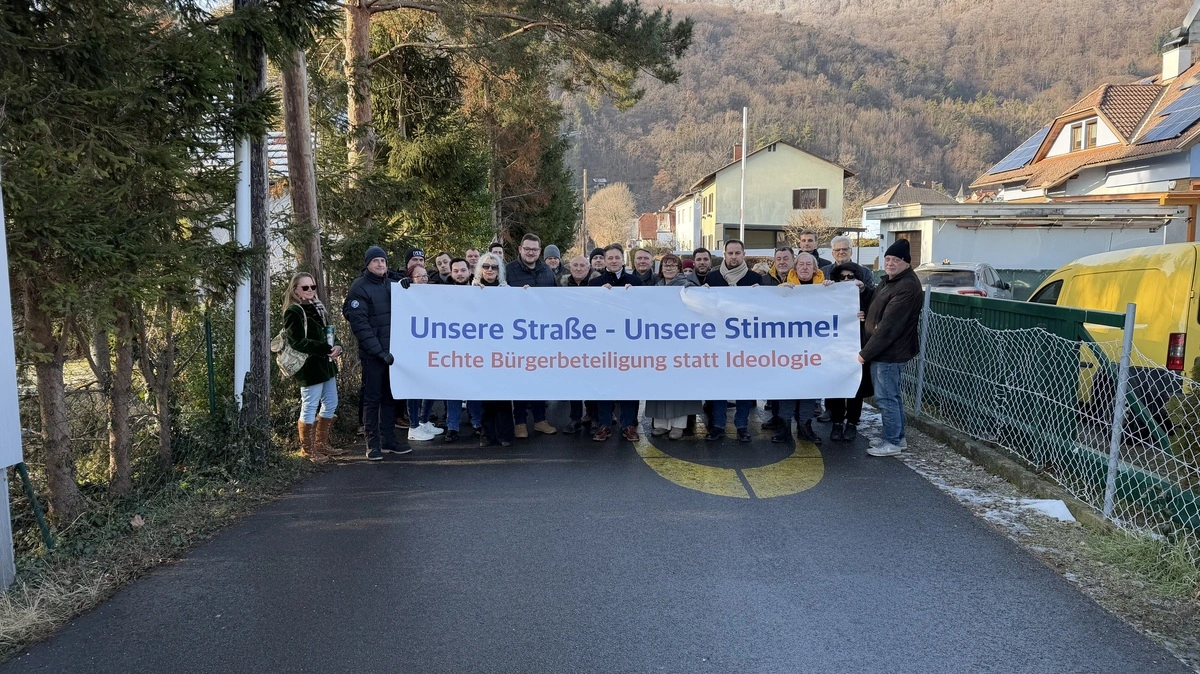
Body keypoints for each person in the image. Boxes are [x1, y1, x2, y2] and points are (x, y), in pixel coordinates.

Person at [343, 246, 410, 461]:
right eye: (376, 261)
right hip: (373, 356)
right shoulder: (359, 288)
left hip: (394, 354)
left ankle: (389, 440)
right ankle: (372, 444)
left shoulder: (392, 284)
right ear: (367, 264)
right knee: (372, 399)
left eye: (383, 261)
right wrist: (379, 352)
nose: (380, 264)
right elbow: (360, 326)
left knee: (390, 398)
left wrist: (408, 286)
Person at [859, 238, 923, 457]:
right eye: (887, 259)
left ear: (906, 262)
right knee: (892, 396)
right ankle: (897, 436)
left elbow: (888, 327)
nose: (890, 263)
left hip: (889, 353)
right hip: (887, 351)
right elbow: (877, 302)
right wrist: (863, 292)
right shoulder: (891, 281)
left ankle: (892, 442)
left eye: (896, 260)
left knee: (886, 397)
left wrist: (865, 353)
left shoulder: (906, 287)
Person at [703, 240, 761, 442]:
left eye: (738, 253)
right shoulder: (712, 278)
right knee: (720, 385)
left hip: (745, 343)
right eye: (730, 253)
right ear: (724, 254)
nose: (734, 257)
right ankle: (718, 425)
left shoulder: (755, 279)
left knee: (744, 386)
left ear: (744, 254)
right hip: (718, 342)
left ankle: (742, 425)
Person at [283, 272, 344, 464]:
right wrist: (325, 349)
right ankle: (307, 450)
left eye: (313, 287)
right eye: (305, 287)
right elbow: (297, 342)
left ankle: (321, 443)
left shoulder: (318, 308)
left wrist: (338, 346)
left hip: (325, 364)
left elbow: (329, 332)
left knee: (331, 402)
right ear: (296, 290)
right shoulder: (293, 311)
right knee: (309, 406)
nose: (310, 290)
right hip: (309, 367)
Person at [506, 233, 558, 438]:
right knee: (520, 379)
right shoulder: (508, 270)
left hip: (541, 335)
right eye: (527, 249)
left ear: (539, 251)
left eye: (535, 250)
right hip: (516, 335)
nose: (530, 252)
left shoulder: (547, 270)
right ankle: (519, 422)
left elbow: (554, 299)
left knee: (539, 379)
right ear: (520, 249)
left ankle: (540, 420)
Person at [647, 254, 702, 439]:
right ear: (661, 268)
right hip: (660, 343)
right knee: (660, 383)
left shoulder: (687, 286)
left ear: (679, 268)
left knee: (680, 384)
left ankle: (679, 425)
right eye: (665, 265)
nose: (669, 269)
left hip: (681, 343)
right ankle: (661, 423)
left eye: (672, 266)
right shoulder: (656, 288)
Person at [590, 244, 640, 441]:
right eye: (609, 258)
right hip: (604, 343)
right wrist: (599, 297)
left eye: (616, 257)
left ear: (623, 260)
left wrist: (633, 295)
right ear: (604, 260)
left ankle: (629, 424)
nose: (613, 261)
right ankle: (604, 424)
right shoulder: (595, 284)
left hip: (629, 344)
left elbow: (643, 310)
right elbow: (589, 313)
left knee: (629, 385)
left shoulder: (634, 282)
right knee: (605, 385)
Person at [824, 263, 874, 442]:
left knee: (856, 388)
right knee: (837, 385)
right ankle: (837, 422)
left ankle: (852, 423)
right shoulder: (830, 294)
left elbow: (875, 312)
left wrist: (865, 314)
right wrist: (826, 289)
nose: (846, 280)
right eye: (842, 277)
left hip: (857, 346)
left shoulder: (866, 295)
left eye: (850, 277)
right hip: (835, 347)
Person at [473, 253, 516, 446]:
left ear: (500, 271)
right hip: (481, 352)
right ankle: (486, 434)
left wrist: (525, 295)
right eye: (486, 266)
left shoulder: (507, 292)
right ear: (480, 269)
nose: (490, 270)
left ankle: (505, 435)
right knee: (485, 396)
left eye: (494, 267)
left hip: (503, 351)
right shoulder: (471, 291)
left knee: (504, 396)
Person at [559, 255, 598, 433]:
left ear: (588, 266)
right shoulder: (561, 283)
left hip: (594, 339)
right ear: (570, 267)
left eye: (583, 265)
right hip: (570, 340)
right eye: (575, 265)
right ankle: (574, 418)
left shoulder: (597, 282)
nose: (579, 268)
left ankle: (592, 416)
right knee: (573, 381)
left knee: (592, 380)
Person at [402, 265, 443, 441]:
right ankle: (413, 426)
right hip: (413, 348)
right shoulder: (405, 294)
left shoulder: (433, 294)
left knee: (431, 386)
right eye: (419, 276)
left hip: (432, 347)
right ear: (411, 278)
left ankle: (424, 421)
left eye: (425, 275)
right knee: (414, 389)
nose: (424, 278)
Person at [444, 257, 482, 442]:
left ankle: (477, 422)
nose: (460, 274)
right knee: (454, 389)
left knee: (474, 386)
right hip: (452, 349)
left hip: (475, 348)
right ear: (451, 273)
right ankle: (452, 426)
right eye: (456, 271)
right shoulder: (439, 292)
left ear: (469, 271)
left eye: (463, 270)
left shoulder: (480, 290)